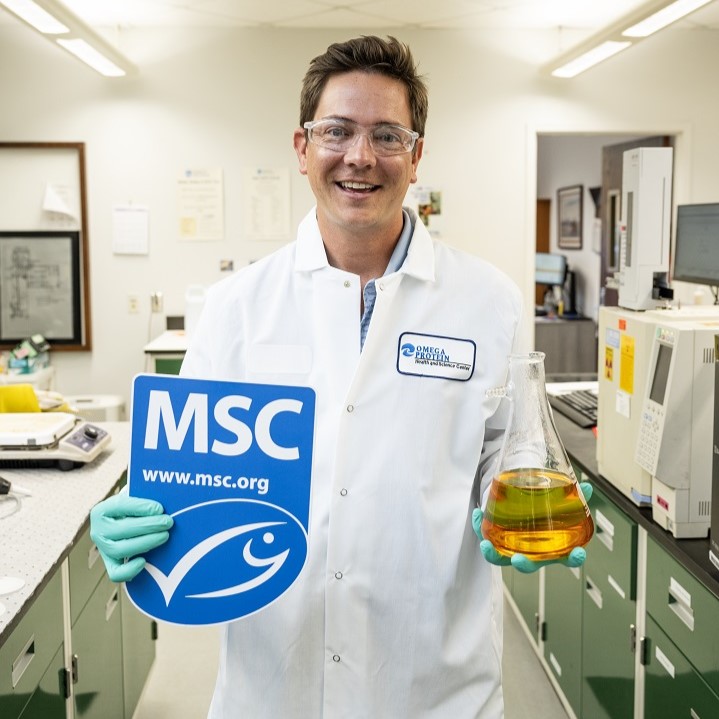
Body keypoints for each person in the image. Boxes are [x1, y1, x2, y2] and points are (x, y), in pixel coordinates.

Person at [90, 35, 589, 718]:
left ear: (415, 157)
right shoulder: (236, 308)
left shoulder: (488, 302)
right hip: (271, 688)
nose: (359, 156)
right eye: (337, 131)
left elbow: (511, 452)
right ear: (302, 147)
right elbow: (186, 482)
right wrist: (140, 519)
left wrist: (533, 494)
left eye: (387, 134)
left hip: (435, 689)